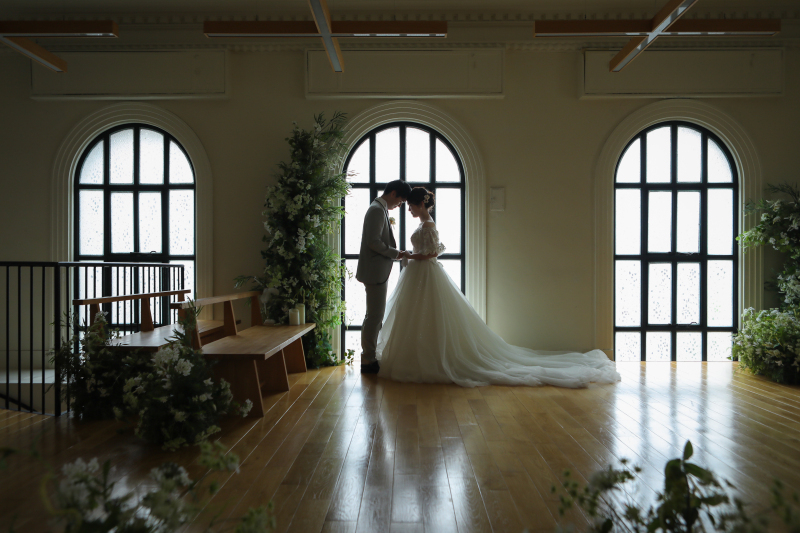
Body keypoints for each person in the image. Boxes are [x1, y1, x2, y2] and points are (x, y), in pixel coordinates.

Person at [376, 186, 621, 388]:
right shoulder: (425, 224)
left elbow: (430, 255)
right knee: (419, 317)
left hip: (425, 274)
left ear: (420, 205)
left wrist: (408, 255)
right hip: (419, 275)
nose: (408, 208)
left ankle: (431, 359)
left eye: (411, 205)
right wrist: (411, 255)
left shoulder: (428, 225)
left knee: (428, 317)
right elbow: (431, 251)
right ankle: (419, 358)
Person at [356, 180, 413, 374]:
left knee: (374, 315)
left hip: (376, 270)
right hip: (374, 272)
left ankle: (369, 357)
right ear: (393, 193)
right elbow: (373, 242)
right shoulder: (377, 210)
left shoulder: (379, 208)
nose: (399, 205)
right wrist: (395, 253)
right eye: (400, 201)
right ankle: (368, 360)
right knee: (374, 316)